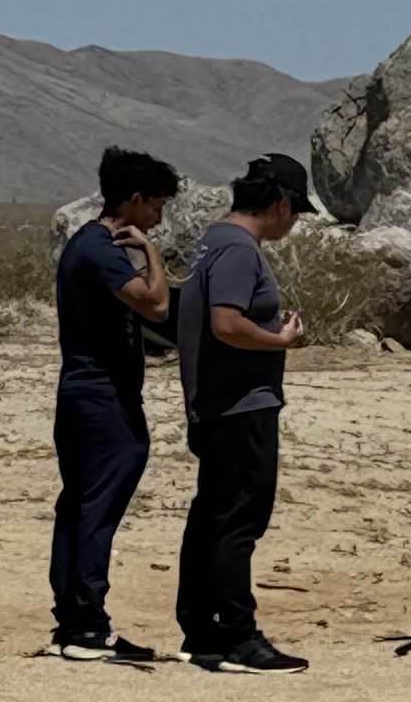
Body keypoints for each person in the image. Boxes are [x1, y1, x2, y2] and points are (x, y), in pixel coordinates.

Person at [175, 152, 312, 674]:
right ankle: (237, 636)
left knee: (212, 515)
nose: (294, 222)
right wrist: (279, 340)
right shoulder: (237, 250)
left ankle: (202, 628)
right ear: (279, 204)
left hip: (219, 405)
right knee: (239, 521)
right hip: (241, 406)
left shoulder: (214, 242)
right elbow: (227, 324)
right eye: (295, 211)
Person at [48, 145, 177, 663]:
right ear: (137, 201)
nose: (159, 216)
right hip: (100, 397)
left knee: (80, 504)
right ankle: (86, 625)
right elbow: (157, 304)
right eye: (157, 206)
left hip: (85, 394)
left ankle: (76, 621)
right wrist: (152, 254)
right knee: (96, 506)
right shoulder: (101, 249)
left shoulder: (86, 247)